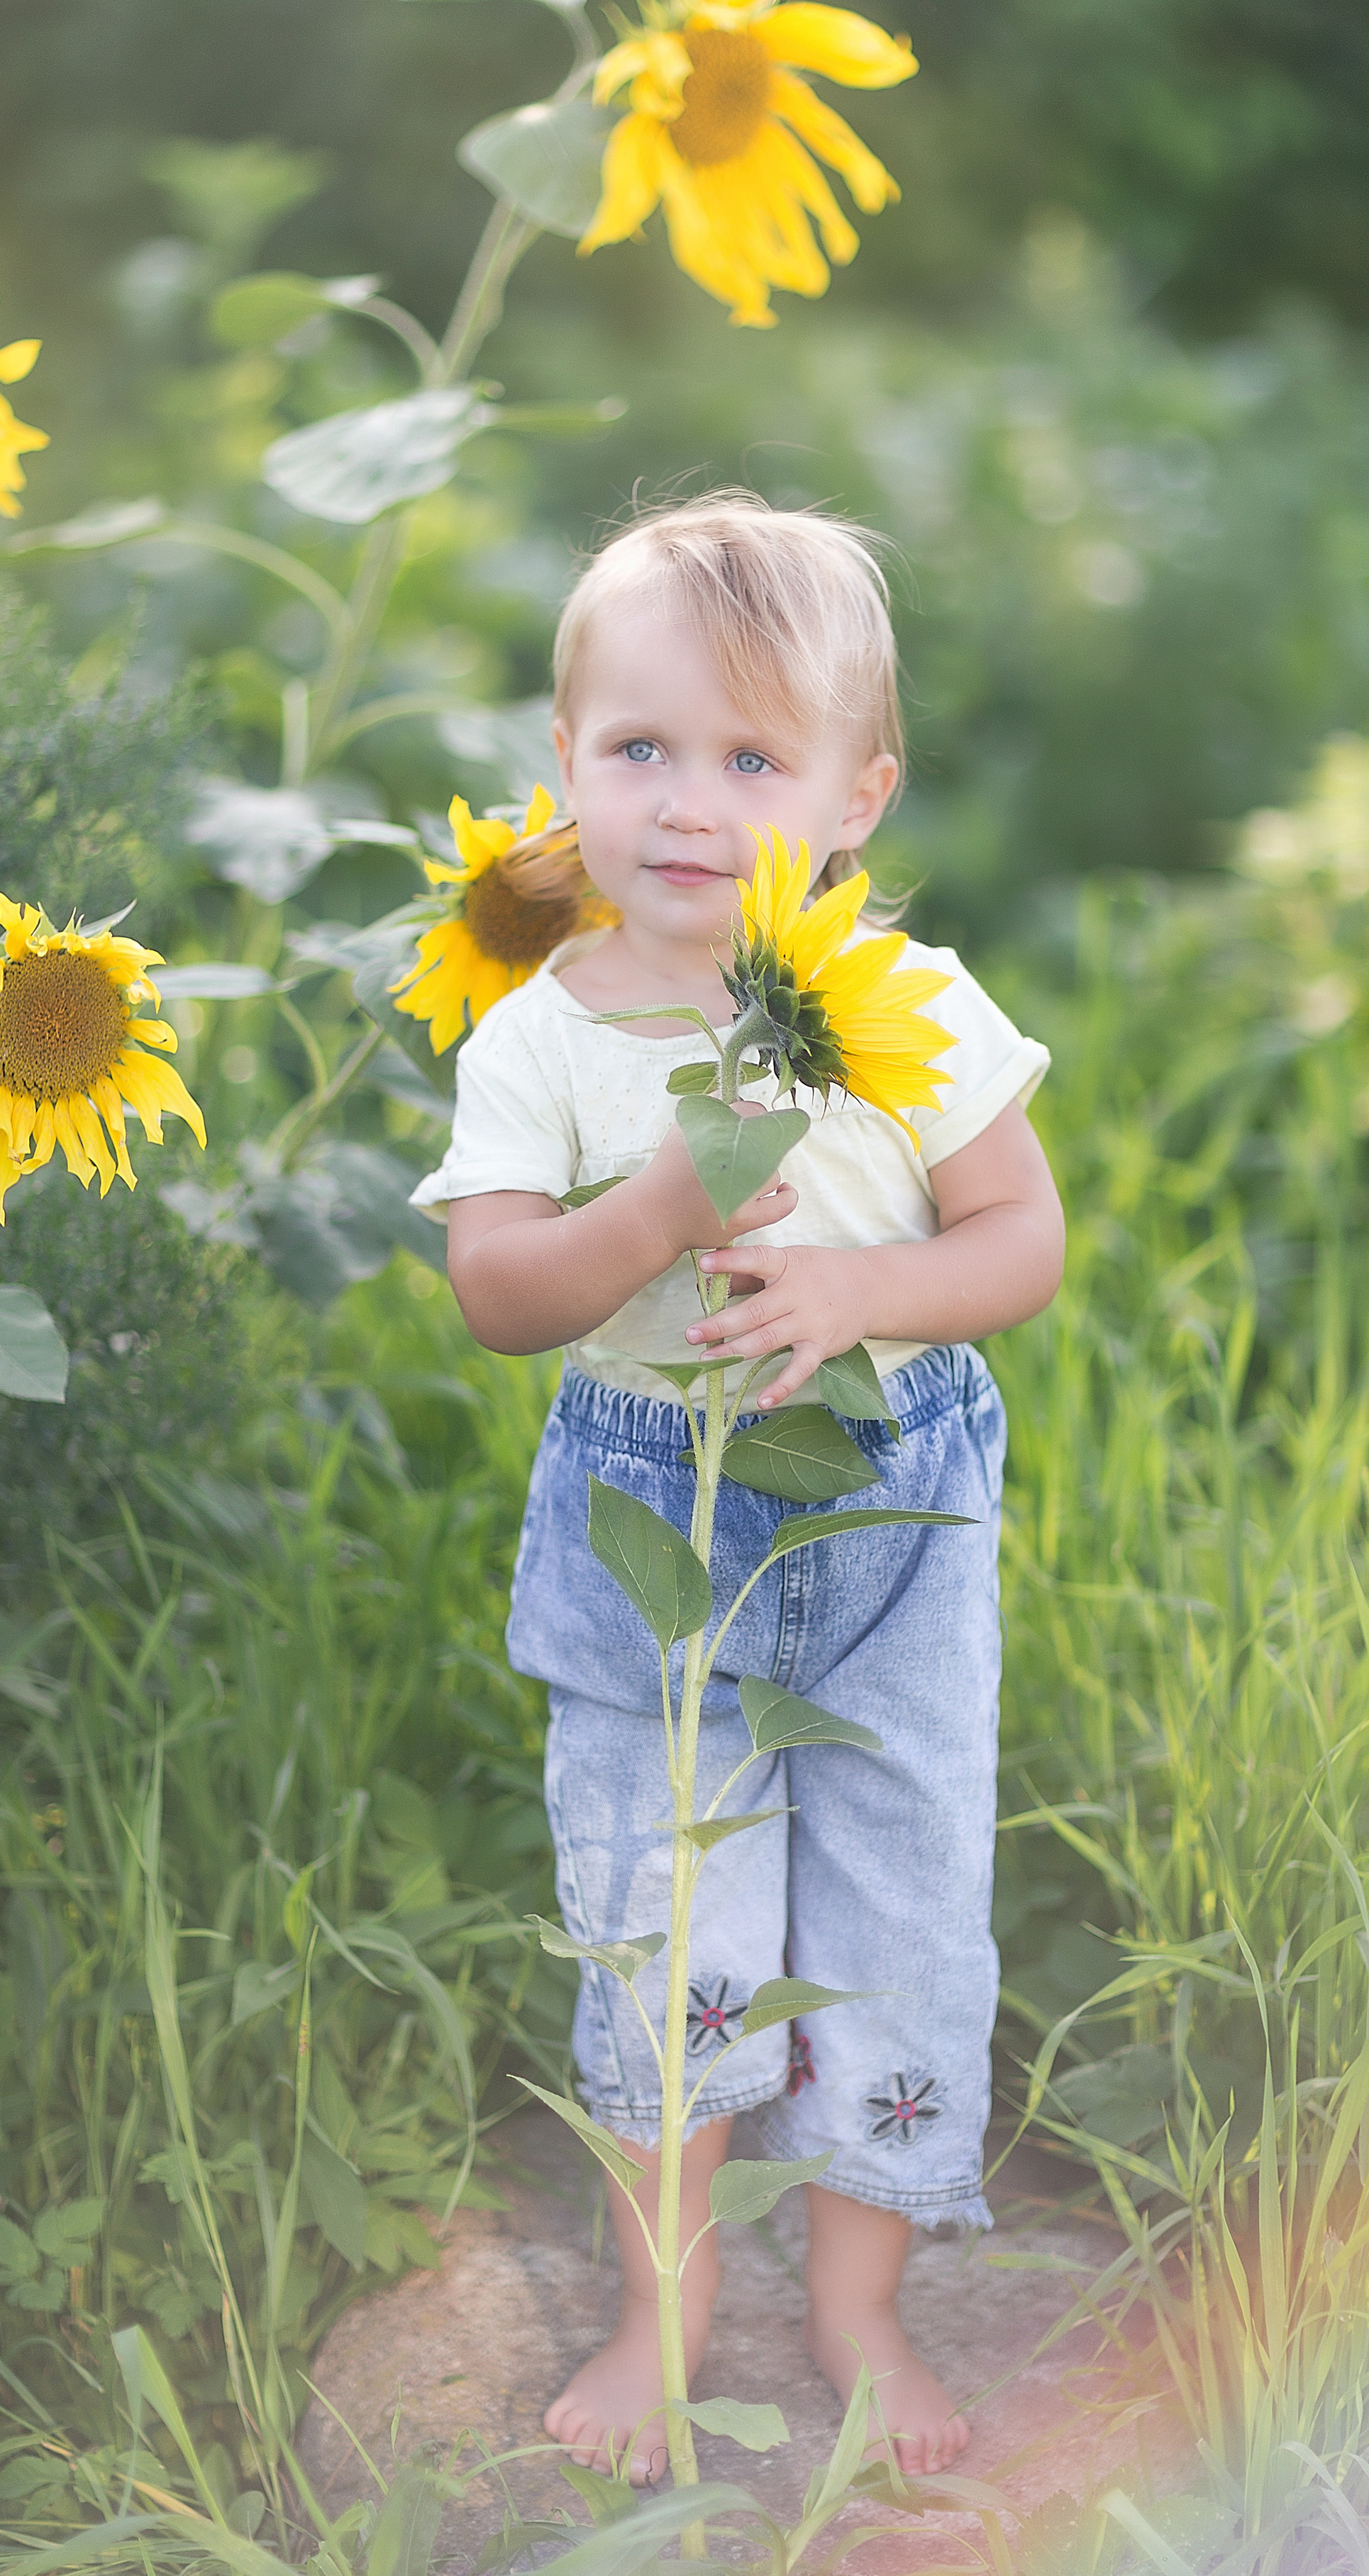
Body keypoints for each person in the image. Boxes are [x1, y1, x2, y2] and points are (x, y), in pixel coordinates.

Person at [409, 495, 1065, 2482]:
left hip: (886, 1522)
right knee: (663, 1918)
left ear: (858, 796)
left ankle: (861, 2305)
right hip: (650, 1517)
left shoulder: (902, 1005)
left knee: (896, 1910)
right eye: (641, 750)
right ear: (565, 769)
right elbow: (500, 1287)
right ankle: (667, 2298)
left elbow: (1019, 1244)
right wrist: (661, 1209)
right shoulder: (541, 1033)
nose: (689, 805)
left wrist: (867, 1282)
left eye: (752, 759)